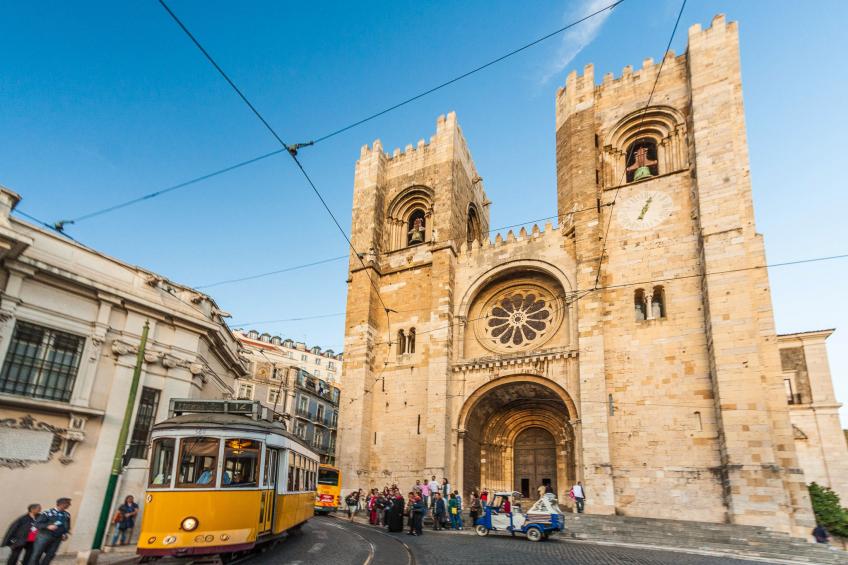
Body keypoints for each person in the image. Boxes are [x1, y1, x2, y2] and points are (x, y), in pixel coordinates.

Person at [28, 498, 71, 565]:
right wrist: (48, 526)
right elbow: (37, 524)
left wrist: (65, 534)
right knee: (37, 554)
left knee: (50, 555)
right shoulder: (47, 512)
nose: (69, 505)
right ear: (62, 504)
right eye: (68, 503)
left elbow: (67, 526)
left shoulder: (67, 515)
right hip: (44, 536)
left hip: (57, 538)